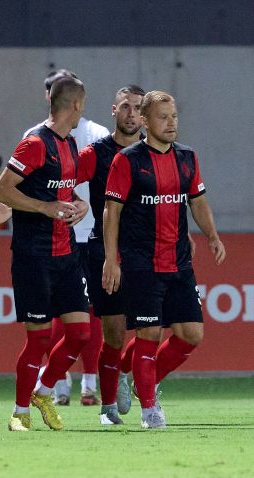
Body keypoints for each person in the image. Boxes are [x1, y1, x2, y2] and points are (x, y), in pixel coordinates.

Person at [103, 90, 226, 429]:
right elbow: (111, 211)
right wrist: (111, 259)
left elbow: (197, 202)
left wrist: (212, 235)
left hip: (179, 261)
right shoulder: (127, 160)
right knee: (149, 333)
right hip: (141, 262)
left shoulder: (187, 157)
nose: (171, 123)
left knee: (192, 333)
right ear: (145, 121)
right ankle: (149, 409)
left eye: (174, 116)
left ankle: (135, 374)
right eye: (163, 117)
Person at [0, 75, 92, 432]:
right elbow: (2, 190)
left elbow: (66, 192)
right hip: (33, 255)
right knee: (39, 338)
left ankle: (43, 390)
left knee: (80, 334)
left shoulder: (68, 146)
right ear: (76, 104)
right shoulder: (34, 144)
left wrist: (78, 205)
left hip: (66, 255)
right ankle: (19, 412)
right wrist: (44, 207)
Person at [25, 69, 109, 405]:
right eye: (47, 89)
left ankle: (88, 381)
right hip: (50, 236)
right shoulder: (34, 136)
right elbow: (19, 185)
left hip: (91, 232)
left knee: (89, 311)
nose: (49, 94)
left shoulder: (96, 133)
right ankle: (58, 383)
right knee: (58, 315)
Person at [75, 84, 145, 425]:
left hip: (148, 251)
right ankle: (107, 407)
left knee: (160, 327)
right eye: (125, 107)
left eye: (137, 107)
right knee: (115, 333)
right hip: (106, 251)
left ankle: (127, 372)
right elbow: (59, 178)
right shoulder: (96, 153)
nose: (131, 113)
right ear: (113, 111)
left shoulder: (157, 154)